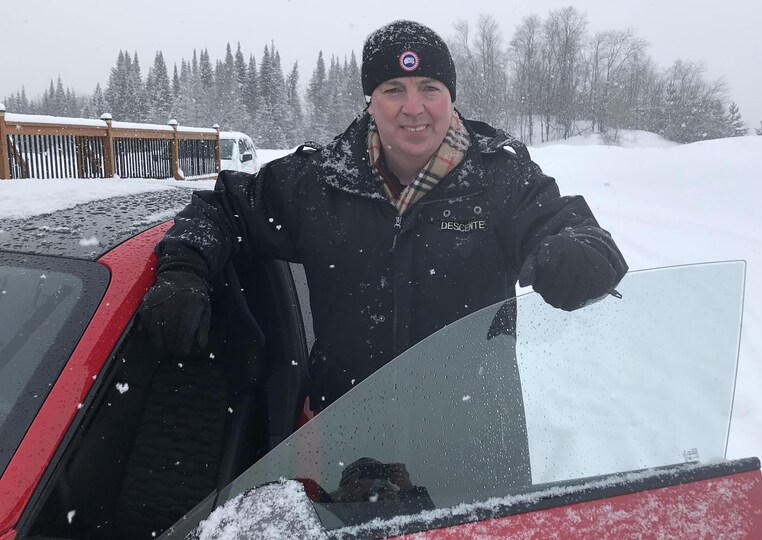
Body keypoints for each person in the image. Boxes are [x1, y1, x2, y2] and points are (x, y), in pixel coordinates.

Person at [139, 20, 628, 411]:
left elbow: (571, 227)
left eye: (429, 87)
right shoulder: (318, 180)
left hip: (475, 437)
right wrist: (184, 270)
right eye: (394, 88)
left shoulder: (499, 178)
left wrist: (579, 256)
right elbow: (223, 209)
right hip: (350, 439)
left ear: (450, 97)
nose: (413, 107)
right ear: (370, 101)